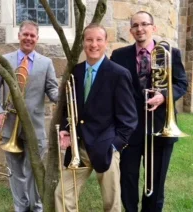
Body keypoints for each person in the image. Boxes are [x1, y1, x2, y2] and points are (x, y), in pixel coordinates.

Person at [54, 23, 138, 212]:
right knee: (62, 195)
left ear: (106, 43)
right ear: (83, 43)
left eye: (99, 39)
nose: (94, 44)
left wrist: (115, 145)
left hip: (106, 146)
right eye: (89, 39)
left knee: (111, 202)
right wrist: (67, 129)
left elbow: (129, 118)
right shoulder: (76, 71)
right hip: (79, 146)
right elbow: (70, 106)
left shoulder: (119, 74)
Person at [110, 11, 188, 212]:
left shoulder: (171, 52)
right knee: (127, 178)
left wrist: (163, 95)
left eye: (144, 24)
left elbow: (181, 83)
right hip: (129, 129)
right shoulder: (119, 56)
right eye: (135, 25)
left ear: (154, 28)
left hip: (160, 126)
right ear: (130, 31)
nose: (140, 29)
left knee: (156, 182)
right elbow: (112, 89)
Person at [0, 20, 58, 212]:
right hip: (9, 125)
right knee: (15, 171)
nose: (28, 38)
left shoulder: (46, 63)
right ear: (19, 36)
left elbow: (52, 88)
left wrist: (60, 98)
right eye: (25, 34)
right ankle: (21, 207)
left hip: (34, 127)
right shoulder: (5, 60)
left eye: (32, 35)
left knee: (34, 171)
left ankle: (36, 207)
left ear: (37, 38)